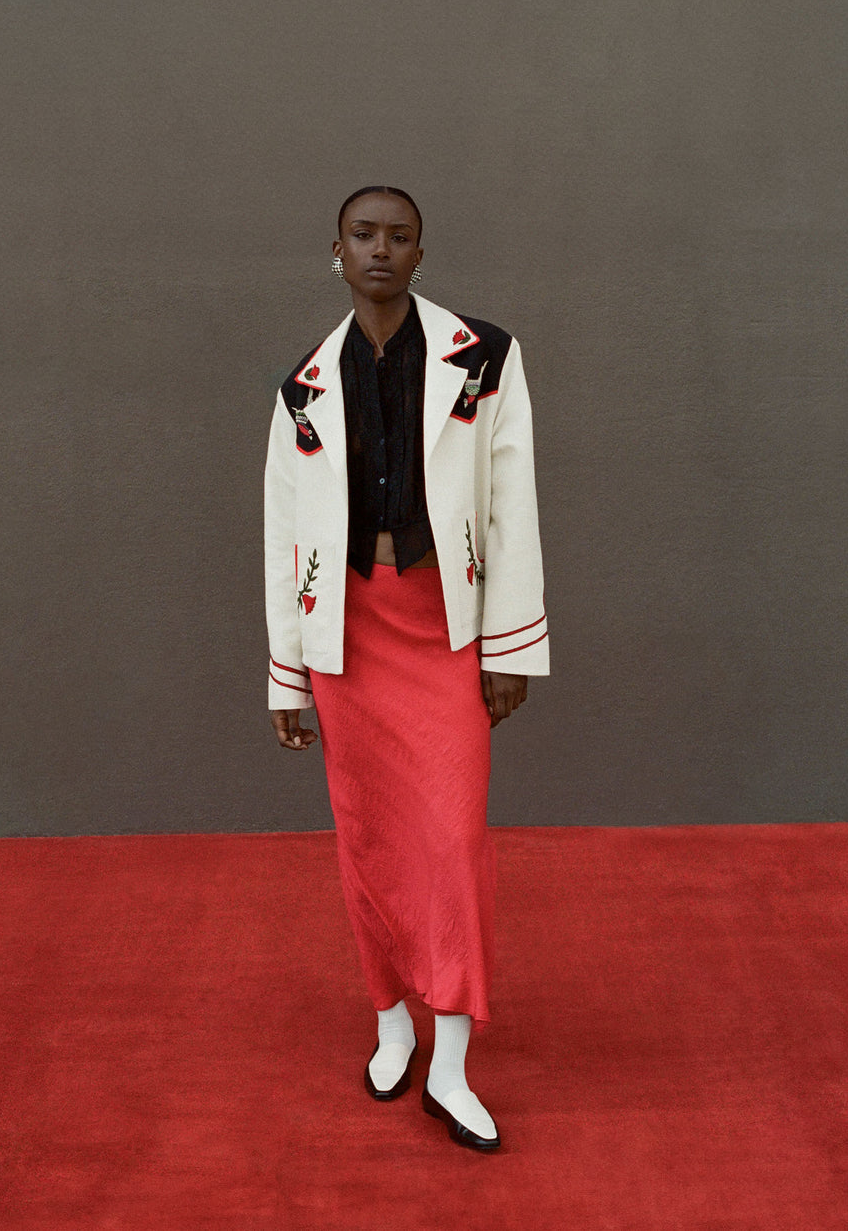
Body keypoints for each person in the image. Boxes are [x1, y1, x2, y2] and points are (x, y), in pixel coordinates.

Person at [264, 186, 548, 1151]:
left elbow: (513, 503)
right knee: (371, 839)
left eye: (399, 236)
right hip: (346, 635)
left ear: (422, 252)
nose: (380, 249)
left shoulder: (486, 357)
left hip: (446, 627)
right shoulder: (303, 382)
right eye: (362, 235)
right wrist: (288, 673)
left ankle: (454, 1066)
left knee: (453, 838)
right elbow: (281, 533)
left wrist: (509, 645)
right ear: (334, 251)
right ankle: (391, 1021)